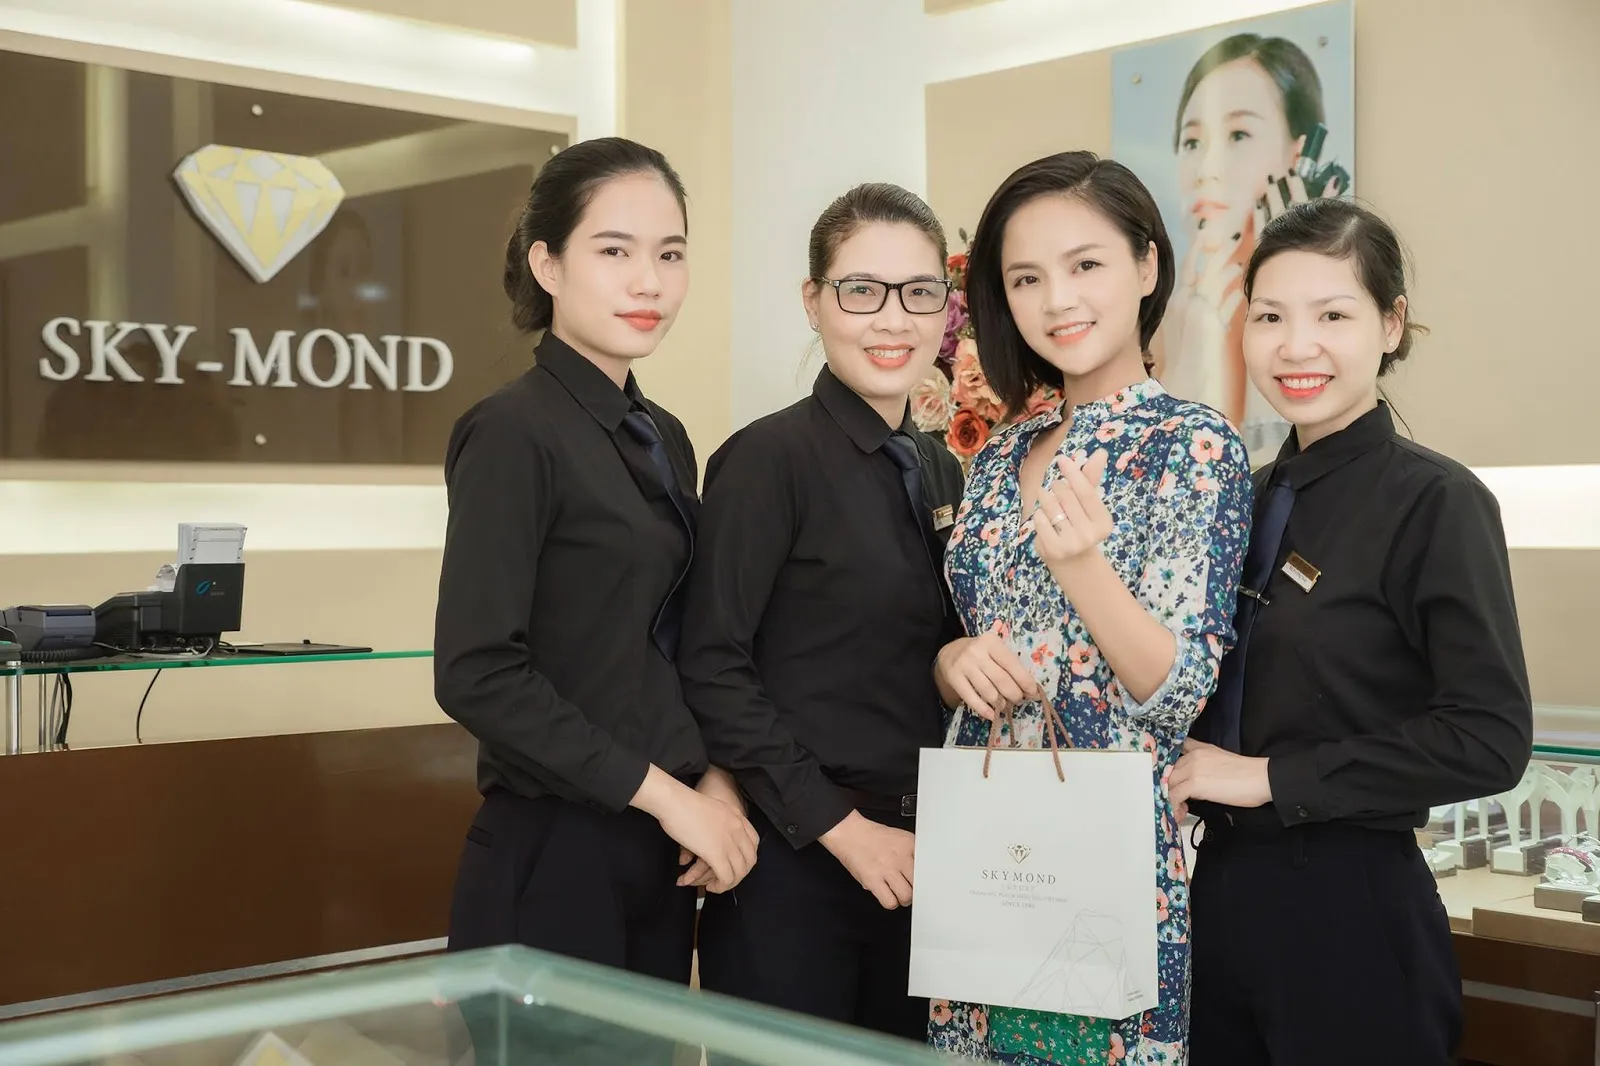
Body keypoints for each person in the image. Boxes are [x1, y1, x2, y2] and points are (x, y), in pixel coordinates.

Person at [1172, 198, 1533, 1066]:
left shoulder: (1437, 502)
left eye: (1332, 316)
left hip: (1352, 912)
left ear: (1391, 324)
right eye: (1270, 318)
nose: (1296, 347)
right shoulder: (1244, 495)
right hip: (1218, 897)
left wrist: (1270, 777)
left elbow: (1489, 738)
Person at [928, 150, 1253, 1065]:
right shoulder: (1001, 451)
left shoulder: (1194, 446)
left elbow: (1176, 691)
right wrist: (951, 664)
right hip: (985, 838)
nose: (1057, 300)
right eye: (1026, 278)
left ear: (1146, 267)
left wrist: (1083, 569)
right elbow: (974, 632)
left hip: (1100, 856)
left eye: (1085, 265)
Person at [433, 137, 759, 997]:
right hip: (553, 861)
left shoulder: (663, 435)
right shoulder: (511, 431)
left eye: (670, 255)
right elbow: (477, 674)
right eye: (615, 252)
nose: (648, 282)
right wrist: (671, 797)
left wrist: (714, 783)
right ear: (547, 264)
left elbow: (668, 646)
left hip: (656, 854)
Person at [677, 182, 965, 1041]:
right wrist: (846, 832)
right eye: (861, 290)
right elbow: (712, 665)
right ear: (814, 301)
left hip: (925, 862)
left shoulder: (941, 469)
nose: (893, 319)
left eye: (919, 292)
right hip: (797, 864)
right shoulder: (767, 461)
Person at [1155, 32, 1346, 459]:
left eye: (1239, 135)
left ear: (1298, 156)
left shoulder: (1330, 318)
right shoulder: (1159, 319)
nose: (1206, 169)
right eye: (1192, 142)